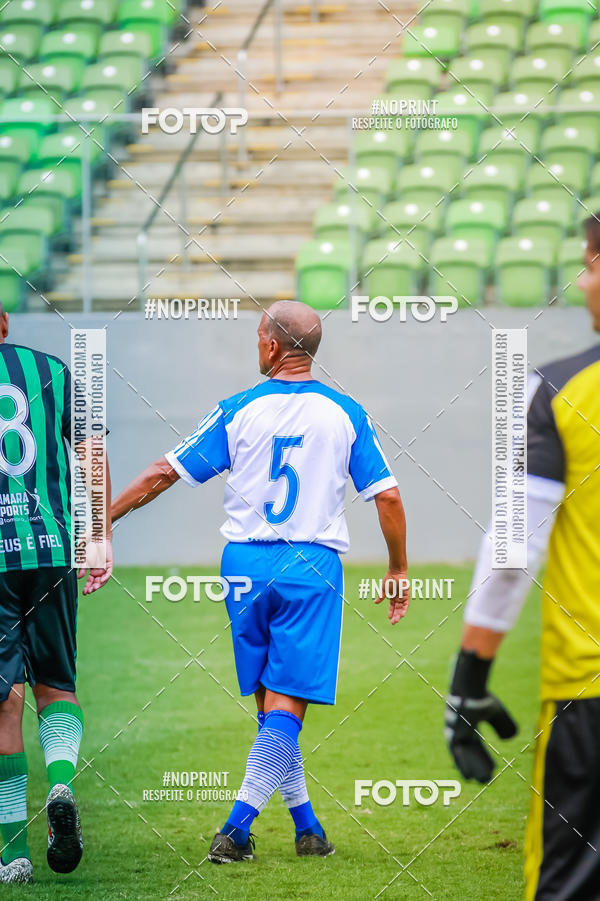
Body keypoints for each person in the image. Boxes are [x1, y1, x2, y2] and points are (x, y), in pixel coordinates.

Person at [111, 300, 409, 863]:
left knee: (271, 708)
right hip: (310, 568)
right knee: (286, 708)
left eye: (257, 337)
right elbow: (388, 496)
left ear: (272, 346)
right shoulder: (346, 412)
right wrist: (397, 568)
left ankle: (307, 828)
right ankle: (235, 829)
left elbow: (164, 472)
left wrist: (103, 519)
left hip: (243, 567)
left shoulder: (236, 409)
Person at [444, 216, 600, 900]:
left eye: (590, 264)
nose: (583, 282)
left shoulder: (558, 390)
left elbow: (511, 553)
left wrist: (468, 681)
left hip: (588, 691)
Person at [0, 306, 113, 884]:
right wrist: (98, 538)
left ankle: (14, 856)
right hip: (51, 549)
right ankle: (62, 782)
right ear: (4, 322)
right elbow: (90, 452)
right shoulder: (54, 371)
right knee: (56, 686)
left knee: (5, 702)